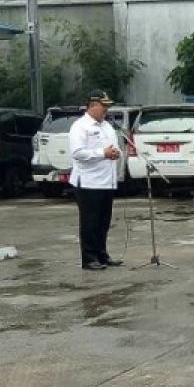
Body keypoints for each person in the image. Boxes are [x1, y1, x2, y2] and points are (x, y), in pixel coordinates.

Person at [69, 90, 122, 271]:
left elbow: (114, 148)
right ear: (92, 106)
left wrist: (115, 153)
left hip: (107, 181)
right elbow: (77, 153)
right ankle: (89, 258)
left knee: (103, 222)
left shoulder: (107, 126)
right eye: (103, 106)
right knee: (90, 223)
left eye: (107, 106)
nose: (106, 109)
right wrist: (102, 153)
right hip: (89, 182)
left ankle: (102, 255)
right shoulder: (80, 126)